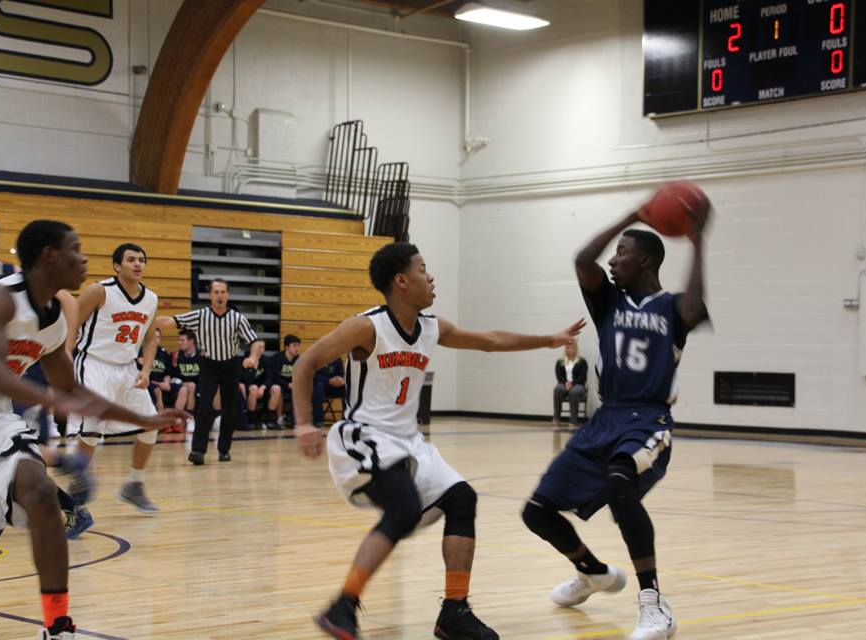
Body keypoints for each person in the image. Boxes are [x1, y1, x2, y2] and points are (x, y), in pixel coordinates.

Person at [291, 242, 585, 640]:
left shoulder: (432, 326)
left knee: (462, 498)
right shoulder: (367, 326)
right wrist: (304, 424)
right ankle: (342, 605)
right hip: (364, 435)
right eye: (423, 270)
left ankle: (454, 611)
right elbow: (306, 363)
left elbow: (490, 340)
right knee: (404, 509)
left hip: (408, 441)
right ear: (401, 281)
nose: (431, 278)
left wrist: (549, 339)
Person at [520, 203, 709, 640]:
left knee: (621, 483)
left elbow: (697, 305)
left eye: (621, 252)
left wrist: (698, 242)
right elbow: (583, 259)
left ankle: (654, 605)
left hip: (648, 420)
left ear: (644, 260)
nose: (612, 259)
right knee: (537, 512)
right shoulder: (608, 300)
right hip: (605, 418)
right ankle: (594, 573)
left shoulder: (674, 307)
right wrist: (631, 217)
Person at [0, 219, 184, 640]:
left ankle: (57, 625)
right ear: (49, 256)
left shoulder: (53, 319)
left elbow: (71, 389)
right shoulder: (3, 301)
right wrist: (49, 400)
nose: (84, 258)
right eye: (75, 249)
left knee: (42, 493)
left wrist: (144, 420)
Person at [70, 243, 163, 517]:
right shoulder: (99, 290)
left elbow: (149, 339)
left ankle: (134, 485)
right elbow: (71, 322)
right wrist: (63, 356)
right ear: (117, 265)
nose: (138, 264)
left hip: (126, 369)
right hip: (94, 364)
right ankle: (76, 495)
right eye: (131, 259)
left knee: (150, 426)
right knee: (91, 430)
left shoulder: (151, 299)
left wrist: (145, 371)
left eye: (142, 260)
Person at [156, 278, 263, 464]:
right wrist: (146, 320)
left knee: (230, 410)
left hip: (230, 366)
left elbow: (255, 341)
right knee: (204, 407)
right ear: (210, 295)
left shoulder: (237, 318)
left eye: (223, 292)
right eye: (216, 292)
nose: (220, 296)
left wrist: (253, 357)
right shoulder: (201, 315)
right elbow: (172, 321)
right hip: (209, 366)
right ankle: (198, 451)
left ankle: (224, 449)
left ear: (227, 295)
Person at [266, 334, 300, 429]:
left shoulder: (299, 360)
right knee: (278, 389)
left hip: (291, 386)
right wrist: (287, 384)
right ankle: (278, 418)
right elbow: (274, 377)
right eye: (294, 346)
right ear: (286, 347)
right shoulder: (277, 359)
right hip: (277, 385)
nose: (297, 348)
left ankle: (296, 419)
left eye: (298, 346)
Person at [553, 342, 588, 428]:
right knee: (558, 389)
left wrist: (572, 383)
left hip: (578, 384)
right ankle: (556, 417)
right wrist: (565, 383)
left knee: (574, 392)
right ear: (565, 349)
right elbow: (559, 376)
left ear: (576, 349)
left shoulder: (582, 361)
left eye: (572, 347)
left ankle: (573, 420)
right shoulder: (560, 361)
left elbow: (582, 377)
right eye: (568, 348)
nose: (570, 349)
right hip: (563, 383)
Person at [239, 351, 271, 430]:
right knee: (253, 388)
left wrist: (263, 387)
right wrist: (254, 368)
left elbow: (270, 377)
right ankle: (249, 418)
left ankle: (269, 420)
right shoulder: (244, 361)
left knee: (274, 388)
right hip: (245, 387)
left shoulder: (265, 360)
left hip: (260, 388)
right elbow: (246, 380)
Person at [312, 357, 344, 427]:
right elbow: (313, 376)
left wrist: (340, 379)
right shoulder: (315, 357)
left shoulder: (337, 359)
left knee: (346, 387)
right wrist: (328, 381)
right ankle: (318, 419)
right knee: (318, 385)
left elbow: (341, 373)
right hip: (318, 387)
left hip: (333, 387)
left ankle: (345, 418)